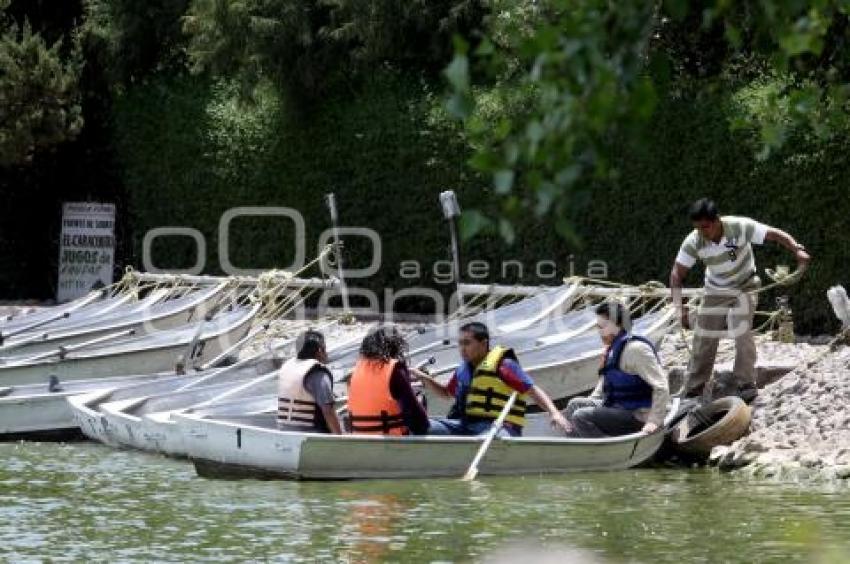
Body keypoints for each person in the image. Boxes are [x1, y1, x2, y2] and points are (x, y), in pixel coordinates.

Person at [670, 198, 811, 402]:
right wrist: (679, 308)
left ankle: (745, 383)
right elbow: (676, 274)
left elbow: (773, 234)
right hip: (715, 290)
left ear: (717, 220)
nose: (703, 232)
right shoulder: (694, 241)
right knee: (704, 337)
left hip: (746, 285)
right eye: (698, 228)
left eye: (706, 227)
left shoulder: (739, 226)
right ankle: (694, 389)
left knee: (740, 328)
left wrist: (796, 248)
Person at [417, 321, 570, 437]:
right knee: (420, 425)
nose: (462, 348)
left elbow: (532, 390)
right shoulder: (463, 369)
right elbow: (446, 393)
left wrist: (554, 413)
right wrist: (422, 377)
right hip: (466, 425)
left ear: (483, 344)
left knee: (488, 438)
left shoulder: (504, 365)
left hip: (500, 427)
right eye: (460, 343)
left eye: (467, 343)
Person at [565, 302, 669, 438]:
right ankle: (574, 445)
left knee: (581, 416)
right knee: (575, 405)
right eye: (598, 327)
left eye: (603, 327)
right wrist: (592, 402)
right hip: (619, 406)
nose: (599, 332)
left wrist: (654, 421)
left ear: (618, 326)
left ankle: (602, 451)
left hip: (639, 414)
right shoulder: (612, 349)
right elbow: (605, 382)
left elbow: (661, 386)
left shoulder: (637, 350)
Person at [347, 325, 430, 435]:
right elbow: (417, 421)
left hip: (360, 440)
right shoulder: (394, 368)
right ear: (394, 345)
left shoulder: (356, 370)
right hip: (391, 442)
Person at [277, 330, 345, 434]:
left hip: (284, 431)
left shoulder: (287, 366)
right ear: (319, 351)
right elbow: (328, 412)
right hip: (313, 435)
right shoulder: (318, 373)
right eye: (325, 349)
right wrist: (341, 439)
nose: (326, 353)